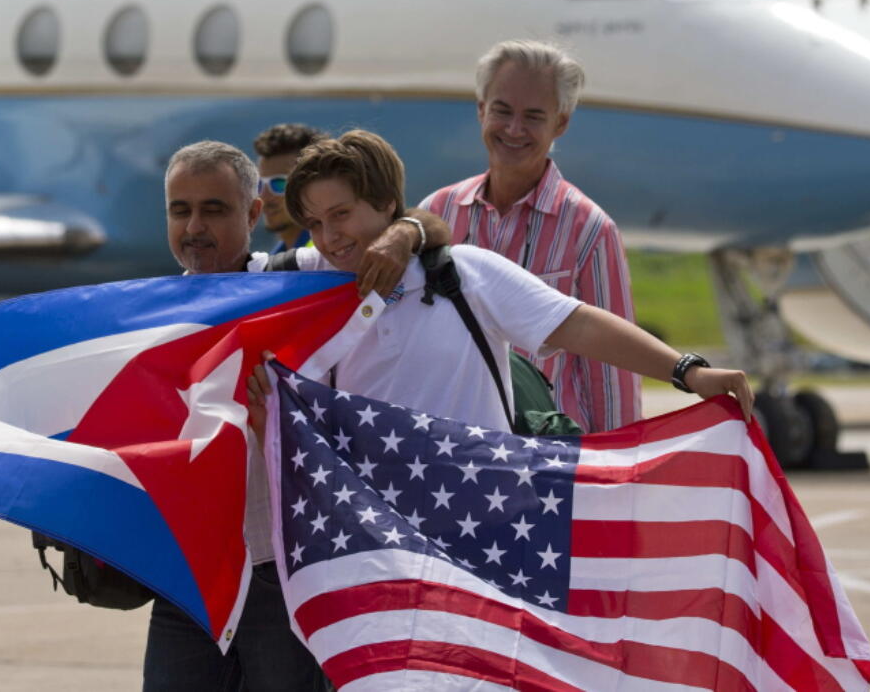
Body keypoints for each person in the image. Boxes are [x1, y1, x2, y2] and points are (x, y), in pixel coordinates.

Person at [151, 140, 450, 691]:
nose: (194, 225)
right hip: (189, 579)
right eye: (180, 209)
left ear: (253, 214)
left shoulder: (297, 284)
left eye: (213, 209)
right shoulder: (148, 320)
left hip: (279, 573)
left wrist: (402, 233)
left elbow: (427, 225)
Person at [245, 130, 753, 438]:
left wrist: (688, 371)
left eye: (341, 215)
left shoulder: (463, 273)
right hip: (373, 540)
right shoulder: (306, 279)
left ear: (384, 205)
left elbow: (581, 328)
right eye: (314, 223)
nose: (330, 237)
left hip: (480, 526)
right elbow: (211, 288)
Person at [419, 39, 640, 433]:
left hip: (547, 461)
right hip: (453, 457)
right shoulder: (437, 212)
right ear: (481, 109)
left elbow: (612, 377)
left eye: (534, 116)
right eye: (502, 111)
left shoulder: (590, 230)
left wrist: (616, 480)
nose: (514, 129)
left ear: (561, 122)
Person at [252, 123, 329, 253]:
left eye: (279, 183)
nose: (264, 196)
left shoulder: (333, 255)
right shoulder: (274, 261)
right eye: (259, 184)